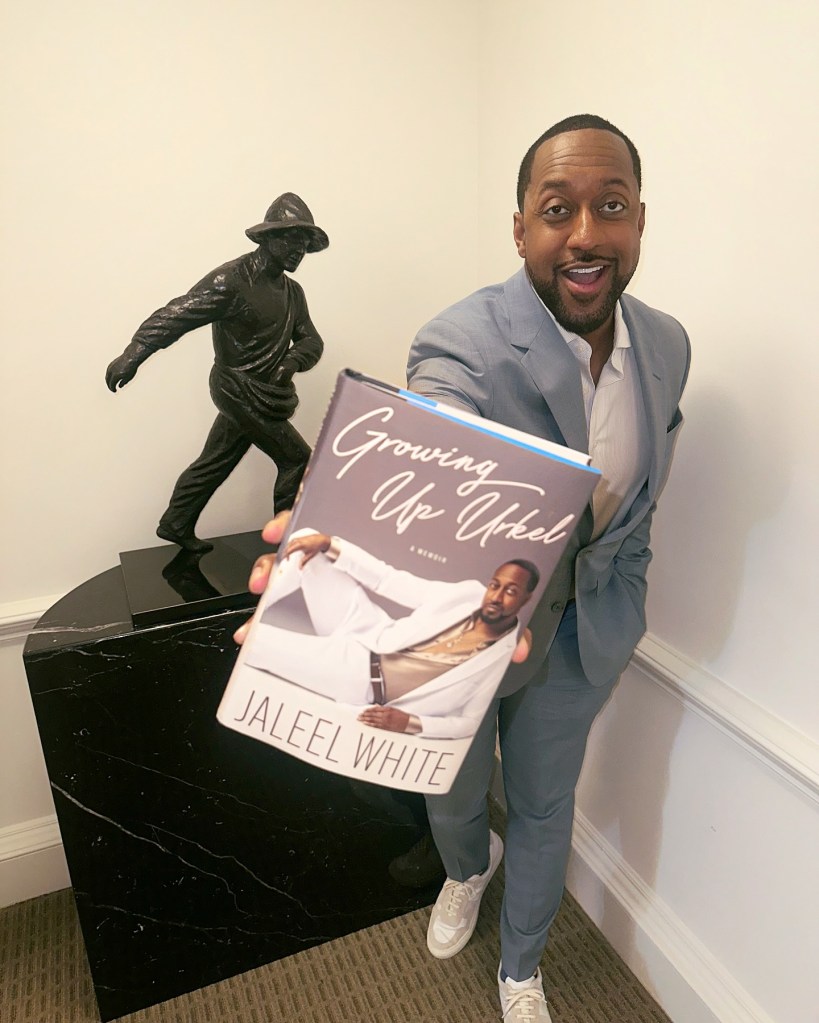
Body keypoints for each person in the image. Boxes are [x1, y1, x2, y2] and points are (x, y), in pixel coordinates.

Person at [240, 113, 690, 1022]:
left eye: (610, 206)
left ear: (640, 219)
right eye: (556, 208)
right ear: (520, 226)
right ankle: (461, 870)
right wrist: (341, 531)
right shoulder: (463, 342)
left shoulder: (668, 346)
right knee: (445, 782)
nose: (586, 233)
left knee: (542, 798)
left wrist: (625, 583)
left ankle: (521, 966)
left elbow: (641, 497)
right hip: (467, 630)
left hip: (582, 632)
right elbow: (431, 444)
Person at [105, 193, 329, 553]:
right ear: (268, 238)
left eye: (303, 244)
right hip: (235, 389)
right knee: (297, 459)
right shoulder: (232, 281)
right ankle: (288, 546)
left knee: (216, 460)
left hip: (267, 394)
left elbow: (311, 341)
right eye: (290, 239)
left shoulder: (292, 293)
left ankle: (175, 523)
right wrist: (133, 354)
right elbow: (177, 314)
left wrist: (291, 362)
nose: (297, 250)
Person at [242, 528, 538, 740]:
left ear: (525, 600)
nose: (496, 597)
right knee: (308, 542)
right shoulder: (469, 594)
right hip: (368, 629)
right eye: (495, 585)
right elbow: (390, 580)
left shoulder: (504, 650)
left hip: (359, 677)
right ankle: (258, 613)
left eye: (511, 591)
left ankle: (252, 631)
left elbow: (467, 723)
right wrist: (331, 544)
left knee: (254, 646)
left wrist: (410, 722)